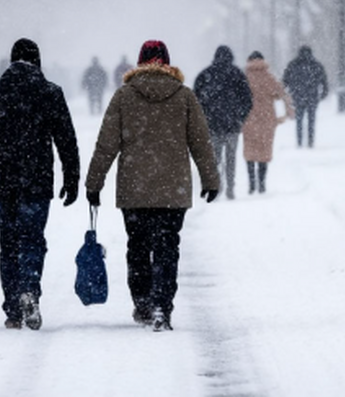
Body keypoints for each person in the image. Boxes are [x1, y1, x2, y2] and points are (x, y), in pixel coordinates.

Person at [86, 40, 220, 332]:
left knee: (137, 248)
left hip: (134, 191)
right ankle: (162, 306)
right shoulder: (184, 96)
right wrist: (210, 179)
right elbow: (200, 142)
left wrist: (94, 182)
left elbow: (106, 145)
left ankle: (143, 303)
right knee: (167, 249)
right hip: (174, 191)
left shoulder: (124, 96)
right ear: (168, 63)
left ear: (139, 63)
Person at [0, 38, 81, 330]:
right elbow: (66, 139)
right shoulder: (50, 93)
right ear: (37, 61)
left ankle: (13, 308)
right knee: (33, 239)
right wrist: (72, 177)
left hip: (3, 181)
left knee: (8, 243)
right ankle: (30, 289)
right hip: (37, 181)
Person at [192, 45, 253, 200]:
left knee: (215, 159)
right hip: (233, 126)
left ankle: (216, 187)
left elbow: (195, 101)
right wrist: (240, 118)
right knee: (231, 158)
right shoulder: (237, 74)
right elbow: (248, 100)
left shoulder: (205, 75)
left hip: (212, 126)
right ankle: (230, 188)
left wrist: (203, 118)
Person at [243, 51, 293, 194]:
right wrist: (286, 113)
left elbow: (237, 98)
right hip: (267, 119)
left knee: (250, 151)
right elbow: (282, 94)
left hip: (249, 119)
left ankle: (252, 184)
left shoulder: (245, 78)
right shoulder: (269, 77)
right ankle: (262, 183)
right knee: (264, 150)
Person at [282, 45, 329, 148]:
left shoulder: (293, 64)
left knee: (299, 121)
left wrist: (288, 92)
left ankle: (299, 142)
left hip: (298, 97)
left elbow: (285, 81)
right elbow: (324, 81)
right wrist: (323, 94)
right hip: (312, 97)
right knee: (311, 121)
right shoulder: (316, 65)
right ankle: (310, 141)